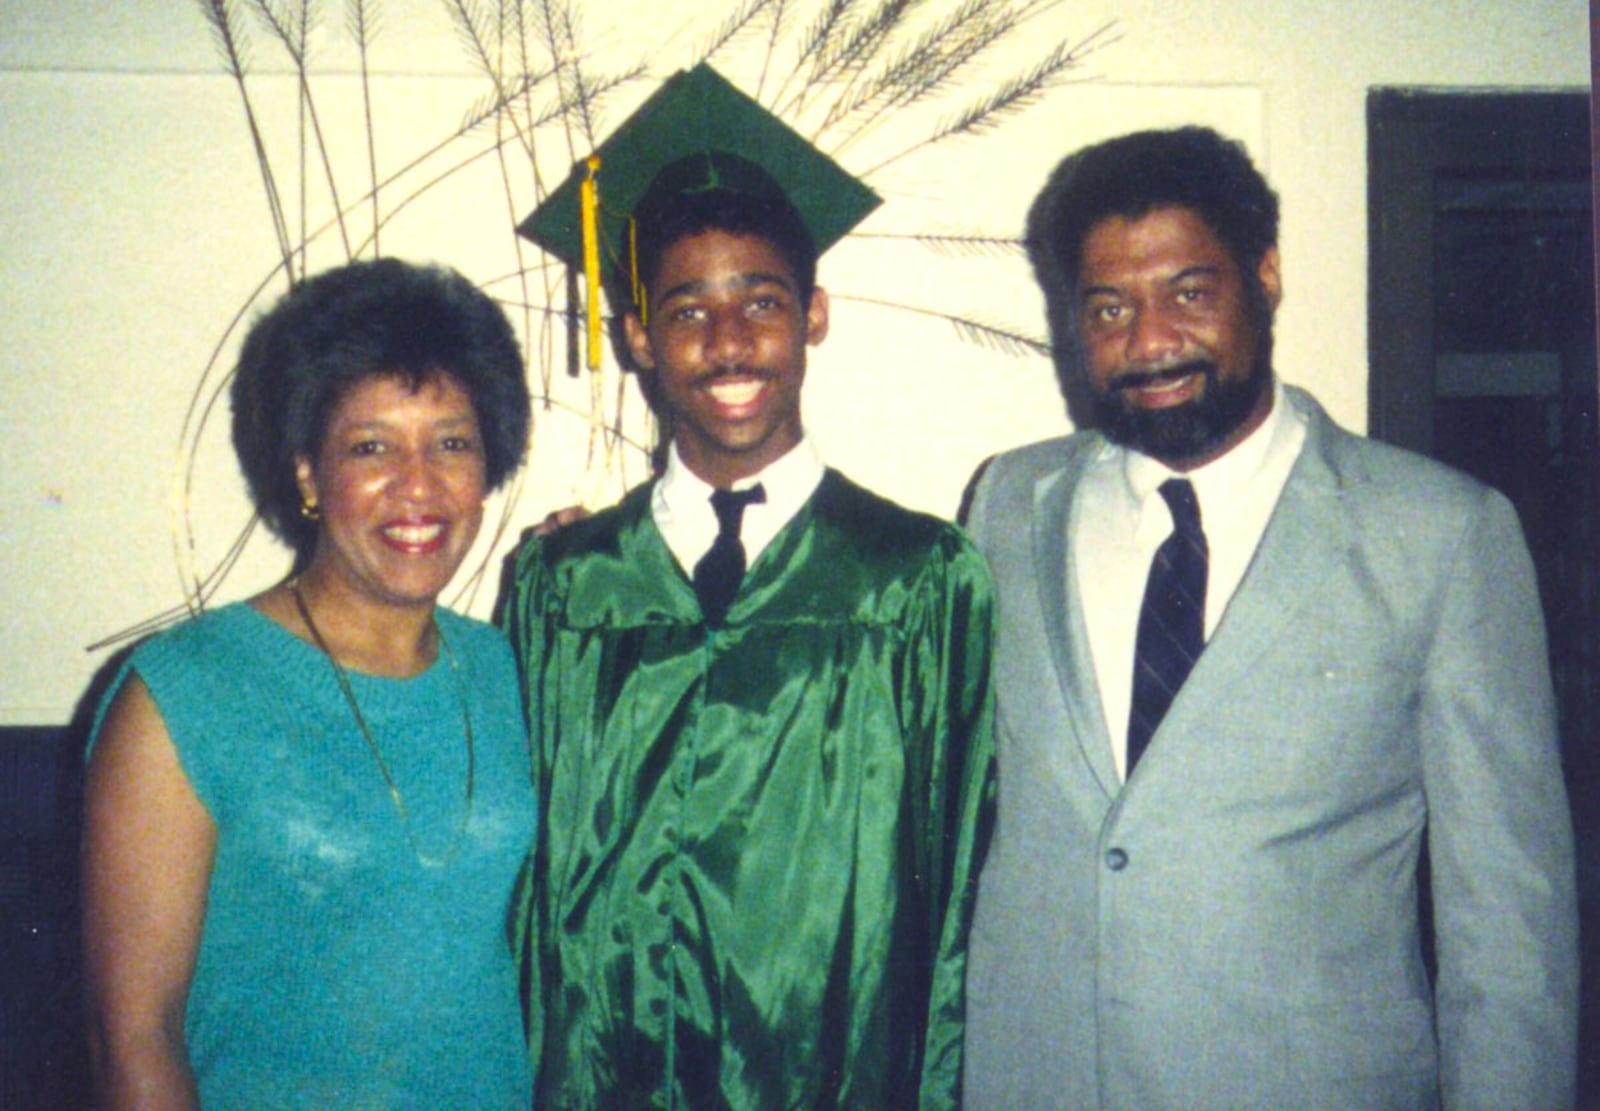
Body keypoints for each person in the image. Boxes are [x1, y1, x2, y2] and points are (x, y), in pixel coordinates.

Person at [961, 127, 1580, 1109]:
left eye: (1188, 292)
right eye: (1110, 307)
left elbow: (1510, 928)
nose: (1150, 341)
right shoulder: (1007, 503)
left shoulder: (1442, 533)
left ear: (1266, 274)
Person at [500, 63, 996, 1108]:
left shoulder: (918, 579)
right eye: (685, 310)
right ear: (636, 334)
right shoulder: (561, 585)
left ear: (813, 315)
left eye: (760, 301)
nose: (727, 341)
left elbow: (953, 898)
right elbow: (524, 894)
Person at [81, 258, 536, 1109]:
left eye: (452, 443)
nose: (419, 485)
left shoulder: (516, 674)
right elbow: (133, 1037)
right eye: (371, 446)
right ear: (306, 474)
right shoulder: (186, 692)